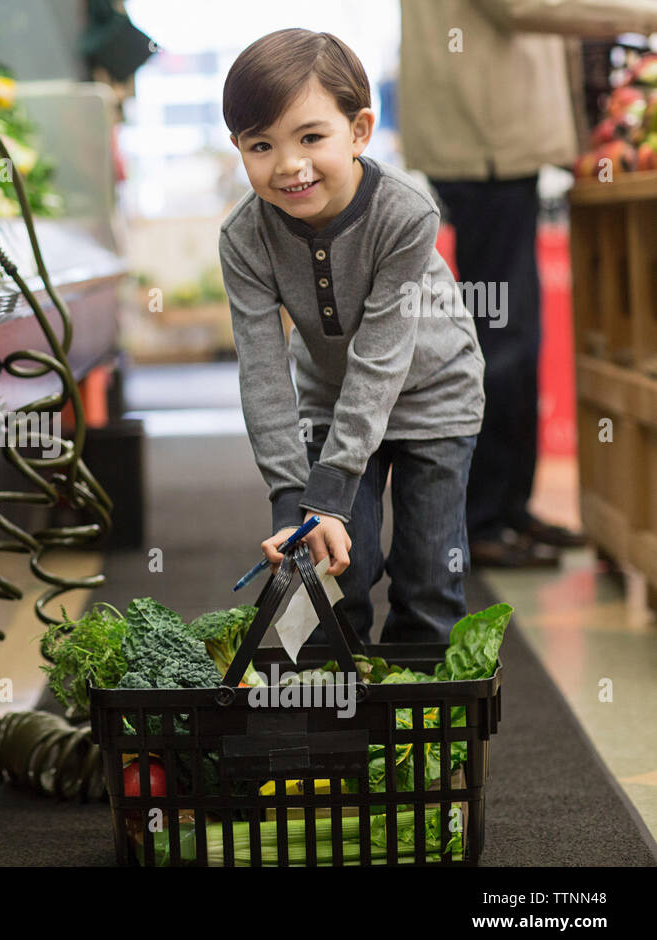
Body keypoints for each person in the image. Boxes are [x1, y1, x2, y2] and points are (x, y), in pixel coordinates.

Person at [218, 29, 486, 643]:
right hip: (331, 400)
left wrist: (330, 491)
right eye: (261, 145)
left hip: (433, 397)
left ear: (360, 130)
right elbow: (262, 372)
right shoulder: (243, 237)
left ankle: (419, 728)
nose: (288, 164)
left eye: (311, 136)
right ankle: (343, 720)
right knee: (335, 570)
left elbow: (380, 358)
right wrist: (294, 505)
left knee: (427, 577)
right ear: (239, 148)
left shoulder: (406, 212)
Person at [399, 0, 657, 567]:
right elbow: (526, 5)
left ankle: (508, 507)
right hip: (483, 145)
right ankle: (482, 517)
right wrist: (645, 13)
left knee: (510, 333)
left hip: (492, 144)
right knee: (501, 340)